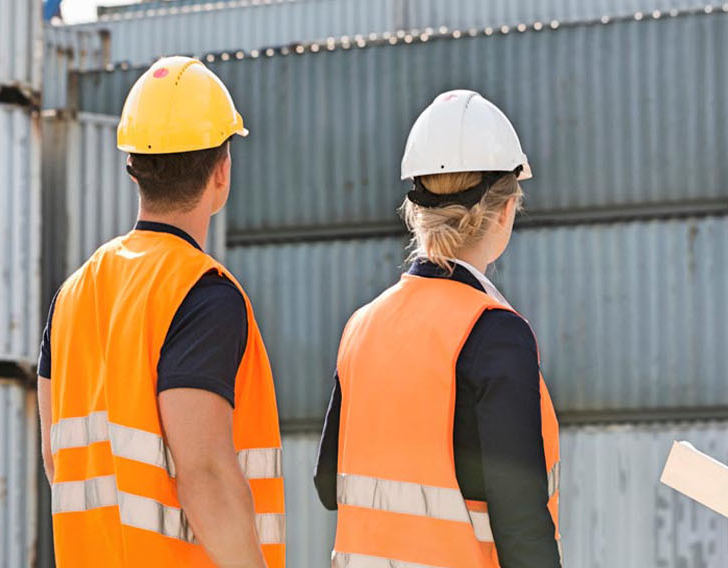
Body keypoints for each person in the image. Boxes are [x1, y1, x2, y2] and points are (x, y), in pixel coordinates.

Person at [38, 56, 286, 568]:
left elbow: (55, 460)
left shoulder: (72, 296)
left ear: (134, 169)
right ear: (222, 172)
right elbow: (206, 475)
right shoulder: (202, 296)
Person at [314, 90, 562, 568]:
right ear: (506, 211)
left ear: (416, 210)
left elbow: (330, 485)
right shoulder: (495, 335)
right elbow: (521, 525)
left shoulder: (362, 327)